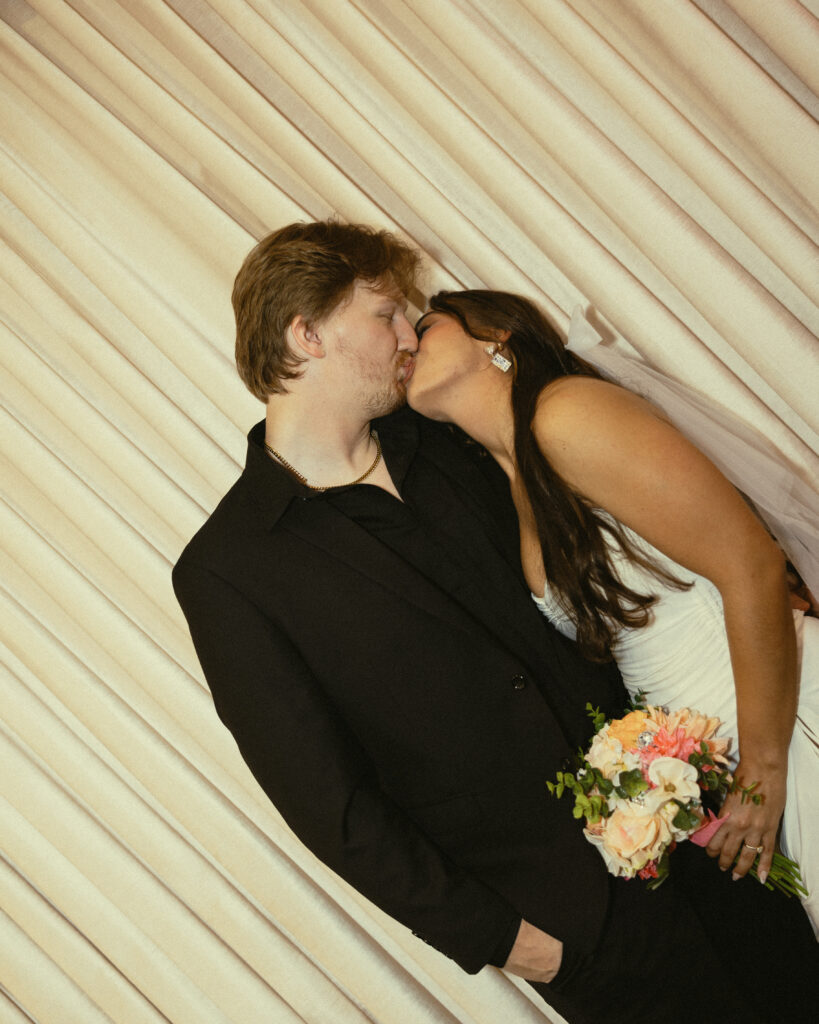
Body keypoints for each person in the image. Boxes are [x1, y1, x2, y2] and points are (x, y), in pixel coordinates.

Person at [173, 221, 818, 1024]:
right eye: (385, 313)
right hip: (578, 933)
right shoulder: (231, 571)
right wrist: (511, 942)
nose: (408, 335)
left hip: (709, 839)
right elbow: (332, 809)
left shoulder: (450, 436)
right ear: (307, 335)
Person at [407, 287, 819, 937]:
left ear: (495, 336)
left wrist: (762, 772)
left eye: (426, 324)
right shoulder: (517, 475)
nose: (407, 340)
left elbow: (751, 565)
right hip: (748, 757)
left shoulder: (565, 415)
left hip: (791, 724)